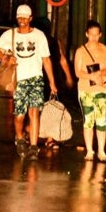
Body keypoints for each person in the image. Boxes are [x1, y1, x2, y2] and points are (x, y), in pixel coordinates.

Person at [0, 4, 58, 155]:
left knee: (34, 111)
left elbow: (46, 60)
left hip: (36, 78)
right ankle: (20, 137)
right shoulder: (10, 35)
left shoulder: (39, 35)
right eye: (19, 17)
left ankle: (34, 147)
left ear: (30, 18)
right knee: (20, 115)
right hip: (19, 79)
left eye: (25, 17)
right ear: (17, 18)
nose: (22, 20)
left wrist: (52, 82)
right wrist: (6, 58)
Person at [73, 19, 106, 161]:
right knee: (88, 120)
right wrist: (91, 76)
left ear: (100, 34)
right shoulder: (80, 51)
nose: (94, 37)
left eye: (96, 34)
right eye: (91, 34)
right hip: (85, 89)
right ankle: (90, 150)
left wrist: (99, 74)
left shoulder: (105, 49)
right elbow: (78, 72)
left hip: (102, 88)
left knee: (101, 120)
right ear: (86, 34)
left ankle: (101, 151)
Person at [33, 16, 73, 152]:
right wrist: (68, 77)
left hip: (41, 78)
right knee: (53, 108)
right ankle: (48, 137)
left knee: (41, 108)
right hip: (55, 78)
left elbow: (61, 60)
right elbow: (63, 60)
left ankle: (41, 135)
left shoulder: (36, 41)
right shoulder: (55, 42)